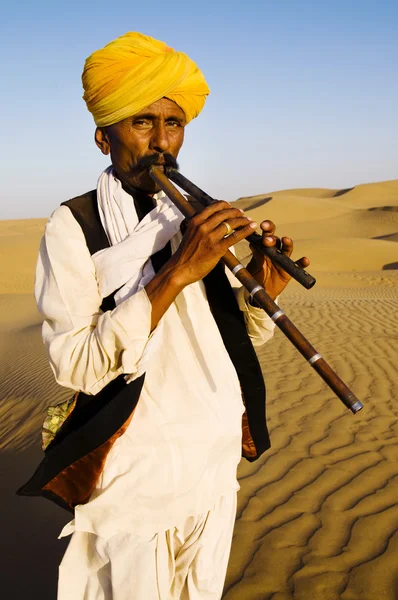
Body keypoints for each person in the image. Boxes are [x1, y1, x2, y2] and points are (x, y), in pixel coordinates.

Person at [28, 32, 309, 600]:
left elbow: (231, 336)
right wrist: (178, 269)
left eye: (174, 123)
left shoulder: (195, 214)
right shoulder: (74, 226)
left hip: (211, 464)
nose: (162, 142)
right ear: (103, 135)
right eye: (142, 123)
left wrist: (263, 292)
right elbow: (77, 365)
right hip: (137, 477)